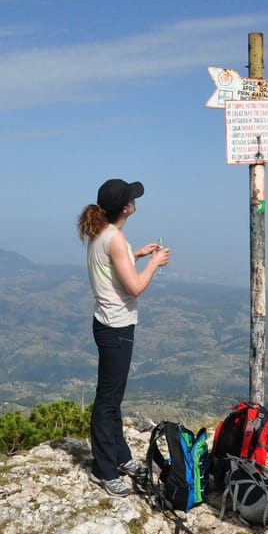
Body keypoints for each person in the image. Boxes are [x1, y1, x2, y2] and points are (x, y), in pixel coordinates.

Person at [77, 178, 170, 496]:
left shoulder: (101, 232)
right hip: (116, 327)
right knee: (107, 401)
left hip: (106, 323)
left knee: (112, 397)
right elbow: (134, 287)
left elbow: (113, 269)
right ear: (125, 207)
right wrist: (154, 264)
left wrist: (139, 254)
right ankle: (103, 469)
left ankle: (119, 457)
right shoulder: (114, 238)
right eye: (132, 198)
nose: (135, 201)